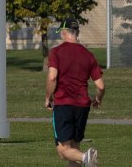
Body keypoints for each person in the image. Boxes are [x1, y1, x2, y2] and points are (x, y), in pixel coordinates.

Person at [45, 17, 105, 167]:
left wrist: (47, 98)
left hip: (64, 104)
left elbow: (52, 77)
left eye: (61, 32)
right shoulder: (88, 55)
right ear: (76, 32)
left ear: (65, 33)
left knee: (62, 150)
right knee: (74, 148)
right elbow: (101, 86)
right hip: (82, 106)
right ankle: (84, 157)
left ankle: (86, 157)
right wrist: (98, 99)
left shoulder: (56, 52)